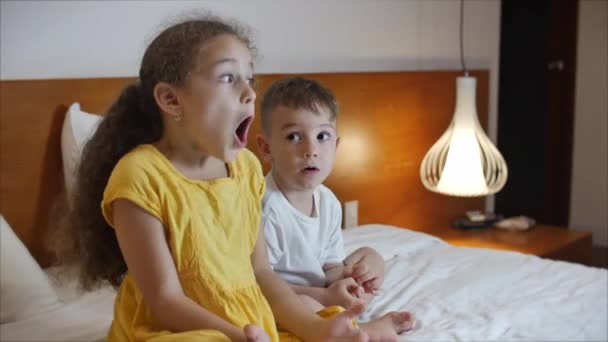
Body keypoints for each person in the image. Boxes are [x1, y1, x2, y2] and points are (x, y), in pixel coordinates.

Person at [60, 16, 371, 342]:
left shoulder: (246, 167)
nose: (250, 93)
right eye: (228, 78)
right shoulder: (140, 176)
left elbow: (262, 274)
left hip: (247, 317)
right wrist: (238, 336)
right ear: (171, 99)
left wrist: (313, 328)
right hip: (176, 326)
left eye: (250, 79)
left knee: (330, 324)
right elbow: (165, 301)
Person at [256, 77, 416, 340]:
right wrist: (323, 295)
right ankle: (366, 331)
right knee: (308, 308)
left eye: (322, 136)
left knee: (370, 256)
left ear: (336, 145)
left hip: (318, 293)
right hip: (280, 300)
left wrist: (351, 278)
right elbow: (261, 286)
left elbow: (328, 266)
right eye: (294, 136)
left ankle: (347, 314)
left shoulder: (328, 201)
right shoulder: (268, 209)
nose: (311, 150)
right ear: (266, 148)